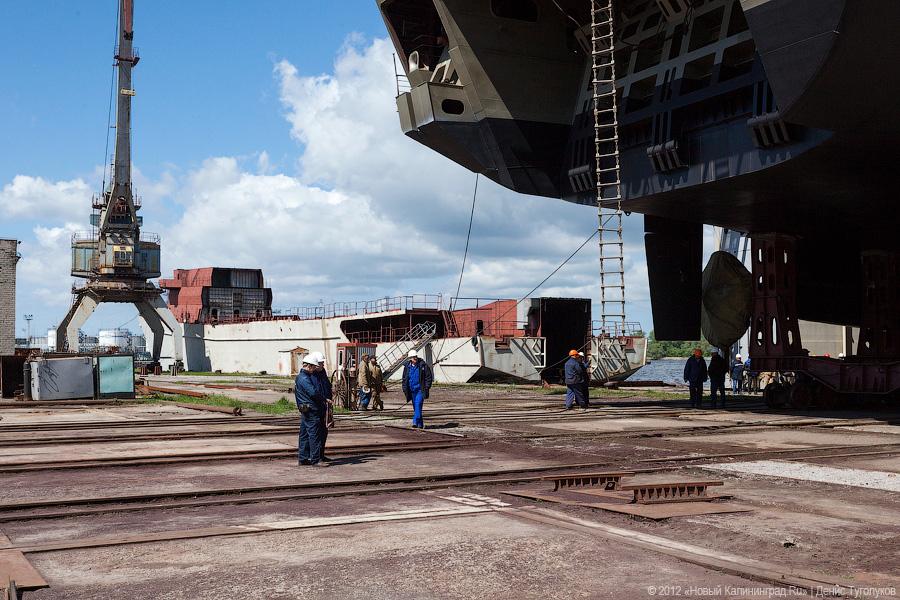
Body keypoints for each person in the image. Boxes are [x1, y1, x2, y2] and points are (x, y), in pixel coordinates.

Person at [294, 355, 329, 467]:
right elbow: (313, 392)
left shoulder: (301, 377)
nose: (314, 370)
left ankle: (303, 458)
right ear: (309, 366)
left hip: (305, 407)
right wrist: (324, 399)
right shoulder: (304, 378)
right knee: (314, 434)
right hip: (311, 409)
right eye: (313, 367)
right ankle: (316, 459)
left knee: (304, 434)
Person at [402, 350, 433, 428]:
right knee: (416, 408)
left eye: (415, 356)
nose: (415, 358)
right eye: (413, 357)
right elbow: (404, 378)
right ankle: (420, 425)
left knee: (418, 404)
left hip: (420, 390)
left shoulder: (423, 366)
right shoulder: (407, 367)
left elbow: (428, 377)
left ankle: (415, 421)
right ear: (410, 358)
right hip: (411, 390)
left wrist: (426, 388)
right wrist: (404, 388)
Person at [312, 352, 333, 461]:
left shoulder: (323, 372)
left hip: (325, 406)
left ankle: (321, 454)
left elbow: (327, 386)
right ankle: (316, 457)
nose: (323, 365)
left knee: (324, 432)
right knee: (316, 433)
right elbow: (315, 392)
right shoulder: (312, 375)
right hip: (317, 406)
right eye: (321, 363)